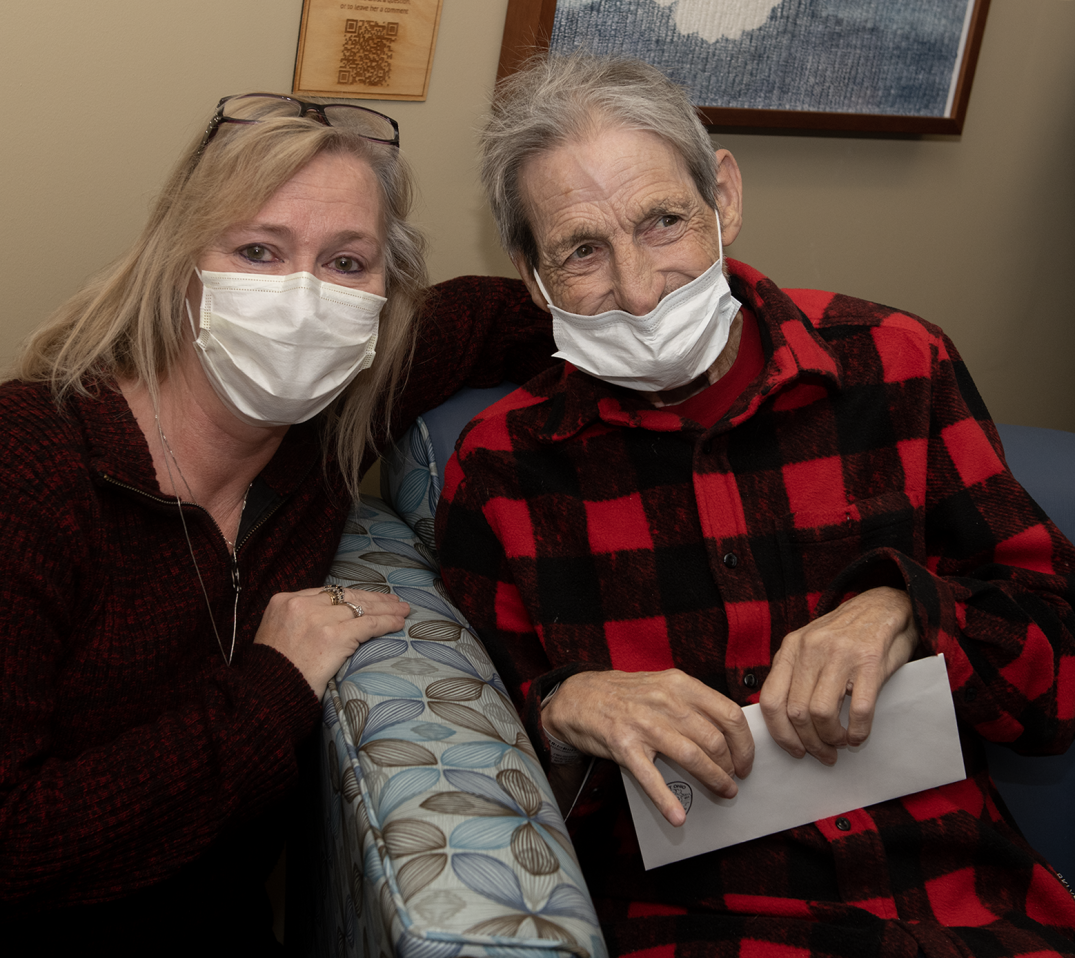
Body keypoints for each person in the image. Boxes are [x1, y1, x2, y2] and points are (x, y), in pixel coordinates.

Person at [0, 93, 555, 953]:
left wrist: (699, 310)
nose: (304, 298)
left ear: (383, 301)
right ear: (178, 269)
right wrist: (268, 692)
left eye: (347, 263)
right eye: (258, 251)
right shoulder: (10, 475)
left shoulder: (326, 431)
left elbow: (520, 311)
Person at [436, 56, 1075, 957]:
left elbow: (1060, 682)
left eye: (664, 222)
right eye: (582, 249)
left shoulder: (898, 364)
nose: (640, 287)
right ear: (533, 278)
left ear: (724, 198)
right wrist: (561, 705)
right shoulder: (502, 466)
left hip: (955, 896)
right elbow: (464, 751)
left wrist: (908, 608)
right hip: (695, 920)